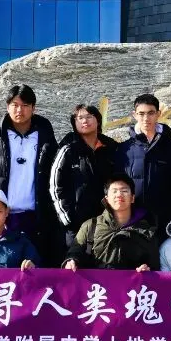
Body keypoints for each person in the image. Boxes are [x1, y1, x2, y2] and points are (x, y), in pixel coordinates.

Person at [0, 84, 60, 265]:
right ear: (7, 107)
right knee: (2, 271)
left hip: (36, 217)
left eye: (25, 105)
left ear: (33, 108)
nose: (19, 110)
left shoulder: (46, 138)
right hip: (2, 218)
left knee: (33, 269)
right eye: (15, 105)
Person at [114, 94, 171, 236]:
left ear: (158, 114)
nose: (146, 118)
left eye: (151, 113)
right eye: (141, 114)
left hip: (166, 217)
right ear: (134, 115)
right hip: (134, 218)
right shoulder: (124, 149)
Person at [50, 104, 118, 246]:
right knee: (75, 257)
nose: (84, 121)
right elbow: (55, 185)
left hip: (106, 221)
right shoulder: (68, 149)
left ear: (98, 120)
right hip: (75, 223)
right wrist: (67, 218)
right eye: (79, 118)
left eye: (89, 117)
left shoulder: (110, 148)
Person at [62, 173, 158, 271]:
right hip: (95, 281)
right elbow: (74, 252)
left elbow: (155, 266)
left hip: (131, 281)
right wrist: (71, 261)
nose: (119, 195)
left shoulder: (146, 231)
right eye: (114, 191)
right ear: (106, 199)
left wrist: (147, 270)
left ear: (132, 198)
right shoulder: (90, 226)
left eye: (124, 191)